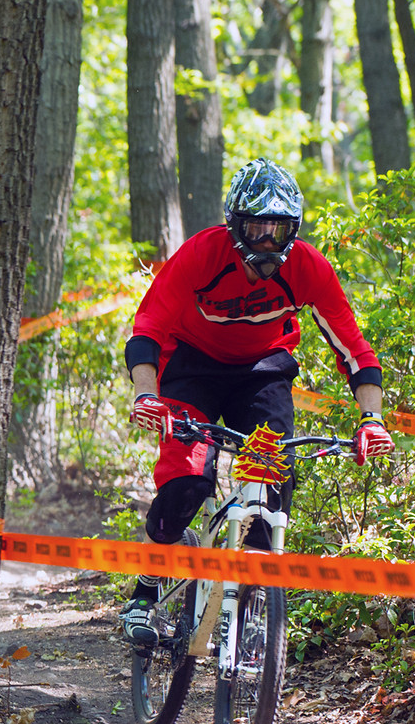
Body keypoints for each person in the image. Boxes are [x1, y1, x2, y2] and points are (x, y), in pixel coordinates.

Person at [120, 157, 394, 647]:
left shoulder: (308, 267)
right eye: (256, 227)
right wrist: (147, 395)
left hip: (262, 372)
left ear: (295, 229)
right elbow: (147, 331)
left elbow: (354, 348)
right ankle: (145, 588)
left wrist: (371, 418)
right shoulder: (202, 254)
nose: (267, 241)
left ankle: (244, 612)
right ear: (234, 225)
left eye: (279, 229)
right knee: (186, 483)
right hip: (192, 368)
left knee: (272, 482)